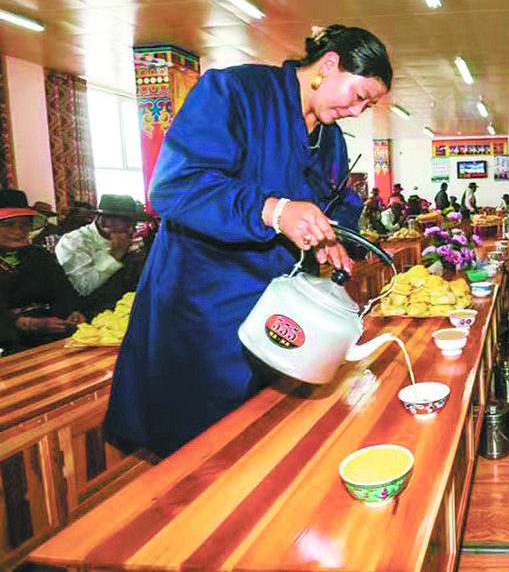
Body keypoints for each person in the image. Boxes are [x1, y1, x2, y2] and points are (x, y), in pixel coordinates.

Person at [104, 24, 392, 458]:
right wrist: (273, 210)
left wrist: (326, 236)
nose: (357, 111)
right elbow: (175, 187)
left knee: (261, 438)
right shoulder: (236, 93)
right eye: (359, 96)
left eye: (367, 106)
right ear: (329, 64)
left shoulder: (330, 138)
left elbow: (327, 200)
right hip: (204, 303)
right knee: (200, 446)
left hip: (277, 306)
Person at [0, 189, 84, 355]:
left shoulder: (39, 255)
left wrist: (72, 313)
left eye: (25, 224)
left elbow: (63, 291)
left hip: (49, 335)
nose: (18, 231)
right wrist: (30, 324)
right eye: (8, 225)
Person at [55, 194, 152, 316]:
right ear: (104, 222)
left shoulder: (130, 239)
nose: (132, 230)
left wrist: (140, 262)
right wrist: (114, 256)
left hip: (125, 309)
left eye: (134, 224)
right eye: (127, 225)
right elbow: (83, 287)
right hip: (87, 313)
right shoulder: (74, 241)